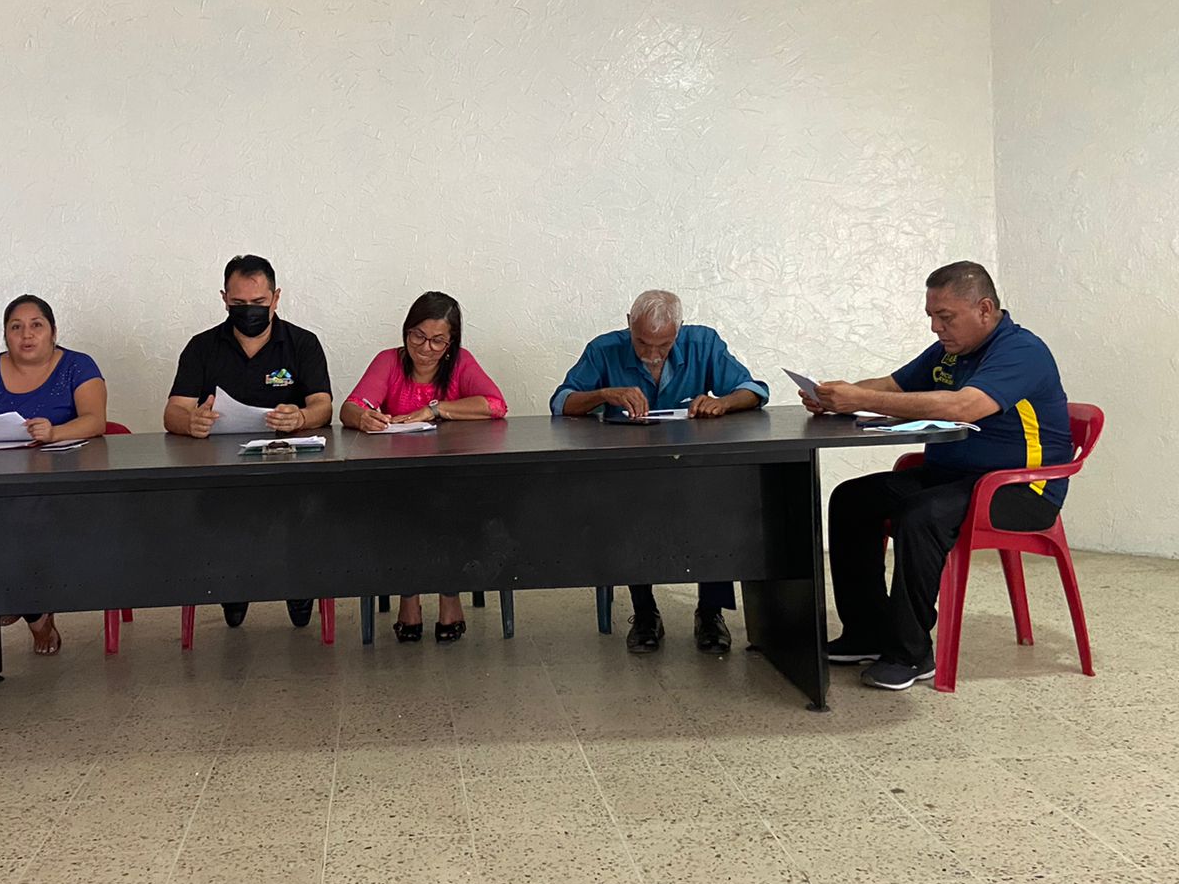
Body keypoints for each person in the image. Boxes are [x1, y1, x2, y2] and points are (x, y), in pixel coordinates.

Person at [807, 261, 1072, 691]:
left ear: (984, 309)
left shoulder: (1022, 351)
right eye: (931, 316)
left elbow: (963, 406)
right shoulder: (951, 351)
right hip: (952, 476)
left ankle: (910, 653)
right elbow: (894, 385)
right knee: (852, 499)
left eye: (945, 316)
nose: (935, 327)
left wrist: (859, 399)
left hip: (1020, 489)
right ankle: (867, 631)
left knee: (922, 514)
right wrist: (837, 396)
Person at [551, 289, 769, 656]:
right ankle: (644, 613)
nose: (651, 354)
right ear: (629, 325)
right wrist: (603, 394)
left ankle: (710, 613)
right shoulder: (604, 350)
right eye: (642, 343)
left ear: (678, 331)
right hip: (631, 472)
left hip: (692, 469)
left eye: (664, 345)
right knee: (627, 508)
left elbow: (753, 390)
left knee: (722, 502)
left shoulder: (703, 343)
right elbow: (560, 402)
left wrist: (722, 403)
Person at [164, 255, 333, 629]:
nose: (249, 311)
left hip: (290, 466)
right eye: (239, 303)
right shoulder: (202, 347)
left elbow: (323, 405)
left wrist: (301, 417)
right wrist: (190, 421)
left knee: (306, 511)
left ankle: (299, 587)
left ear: (276, 298)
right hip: (223, 471)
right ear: (224, 298)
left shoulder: (302, 343)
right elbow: (174, 411)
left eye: (258, 303)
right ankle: (235, 587)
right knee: (223, 515)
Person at [0, 294, 107, 655]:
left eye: (36, 325)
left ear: (53, 332)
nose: (26, 335)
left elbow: (95, 420)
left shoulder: (77, 365)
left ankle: (21, 602)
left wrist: (55, 432)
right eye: (16, 327)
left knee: (21, 516)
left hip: (61, 485)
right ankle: (28, 607)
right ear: (5, 335)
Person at [340, 291, 508, 642]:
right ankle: (409, 596)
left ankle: (449, 594)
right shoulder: (389, 361)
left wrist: (436, 409)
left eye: (437, 340)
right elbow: (350, 407)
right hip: (399, 478)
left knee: (448, 508)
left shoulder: (460, 364)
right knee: (406, 511)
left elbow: (495, 405)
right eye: (418, 335)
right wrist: (363, 417)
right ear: (406, 331)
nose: (426, 347)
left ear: (450, 343)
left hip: (450, 476)